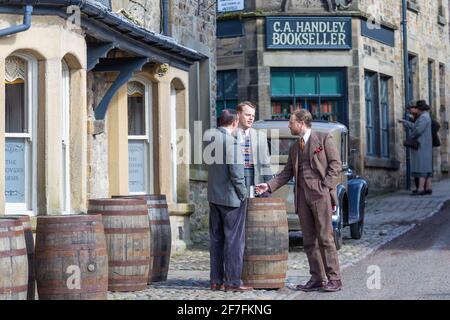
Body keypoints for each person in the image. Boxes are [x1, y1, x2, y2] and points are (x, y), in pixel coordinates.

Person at [256, 109, 342, 292]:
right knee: (309, 240)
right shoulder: (295, 148)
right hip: (302, 197)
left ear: (301, 123)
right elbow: (286, 173)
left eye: (291, 122)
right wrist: (269, 186)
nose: (289, 125)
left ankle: (334, 279)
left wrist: (325, 186)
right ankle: (317, 278)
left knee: (325, 238)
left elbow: (336, 165)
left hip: (320, 195)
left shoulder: (324, 138)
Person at [205, 109, 252, 292]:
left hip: (214, 197)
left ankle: (216, 280)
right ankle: (232, 282)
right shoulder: (232, 143)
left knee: (216, 240)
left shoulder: (210, 139)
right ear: (234, 123)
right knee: (234, 241)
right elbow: (237, 174)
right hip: (231, 199)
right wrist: (243, 194)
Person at [235, 101, 272, 193]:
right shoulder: (229, 135)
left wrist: (269, 186)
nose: (251, 118)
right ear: (238, 115)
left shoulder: (261, 136)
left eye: (253, 116)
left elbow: (266, 163)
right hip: (234, 180)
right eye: (247, 115)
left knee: (252, 207)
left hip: (255, 180)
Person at [398, 100, 433, 196]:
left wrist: (410, 138)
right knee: (426, 166)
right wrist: (404, 122)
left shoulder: (424, 117)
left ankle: (421, 188)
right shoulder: (424, 117)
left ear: (420, 109)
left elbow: (418, 130)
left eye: (416, 108)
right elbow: (415, 126)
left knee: (421, 166)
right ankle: (428, 187)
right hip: (424, 144)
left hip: (422, 144)